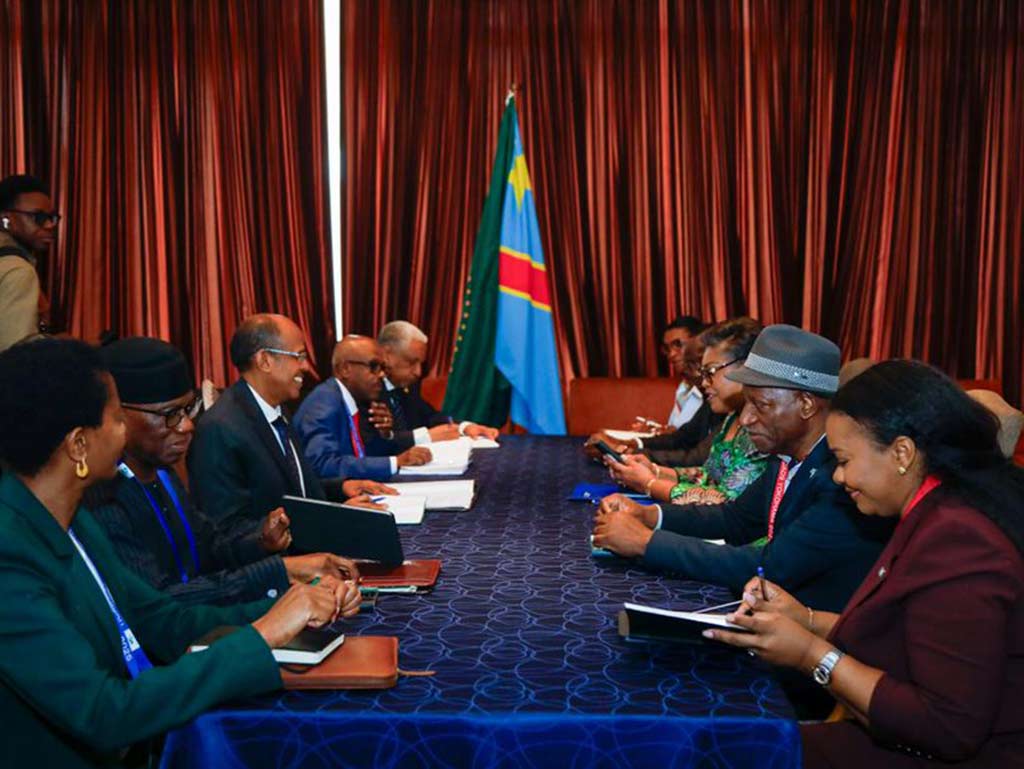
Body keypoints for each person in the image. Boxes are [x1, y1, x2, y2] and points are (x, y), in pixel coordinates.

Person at [0, 338, 359, 768]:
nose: (123, 434)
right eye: (117, 420)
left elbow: (165, 622)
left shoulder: (74, 522)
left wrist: (289, 609)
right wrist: (263, 635)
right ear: (78, 445)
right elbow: (104, 713)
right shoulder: (10, 555)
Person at [706, 361, 1024, 767]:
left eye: (843, 460)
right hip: (909, 734)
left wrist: (810, 654)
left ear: (902, 453)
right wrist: (805, 619)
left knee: (722, 749)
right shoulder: (934, 511)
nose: (839, 478)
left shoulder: (958, 539)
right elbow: (903, 638)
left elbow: (946, 728)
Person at [592, 325, 893, 613]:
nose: (746, 418)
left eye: (760, 405)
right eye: (747, 403)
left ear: (805, 404)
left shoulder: (840, 477)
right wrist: (647, 515)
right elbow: (735, 519)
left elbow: (769, 565)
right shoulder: (786, 455)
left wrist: (645, 542)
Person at [89, 337, 363, 607]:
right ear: (117, 415)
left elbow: (210, 547)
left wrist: (261, 541)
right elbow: (163, 605)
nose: (187, 425)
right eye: (170, 414)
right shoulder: (104, 499)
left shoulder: (163, 474)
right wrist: (282, 572)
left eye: (188, 409)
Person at [188, 315, 391, 538]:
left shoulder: (276, 409)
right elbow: (227, 532)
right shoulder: (220, 429)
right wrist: (337, 518)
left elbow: (292, 488)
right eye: (299, 356)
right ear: (265, 360)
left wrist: (341, 487)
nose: (305, 367)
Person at [607, 317, 767, 505]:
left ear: (746, 366)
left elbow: (725, 501)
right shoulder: (732, 417)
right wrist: (655, 471)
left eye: (710, 372)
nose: (704, 383)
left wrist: (649, 484)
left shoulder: (763, 426)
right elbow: (708, 476)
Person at [294, 335, 433, 482]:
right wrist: (394, 462)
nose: (381, 375)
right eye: (374, 366)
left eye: (383, 368)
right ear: (345, 369)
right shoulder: (324, 402)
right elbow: (323, 464)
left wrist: (387, 436)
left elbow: (363, 454)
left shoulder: (354, 400)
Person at [377, 320, 499, 443]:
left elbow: (430, 416)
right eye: (412, 362)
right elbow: (376, 443)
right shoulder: (370, 389)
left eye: (421, 364)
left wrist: (465, 427)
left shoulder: (408, 386)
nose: (418, 372)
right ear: (386, 355)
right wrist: (425, 436)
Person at [0, 174, 58, 349]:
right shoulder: (18, 270)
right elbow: (16, 353)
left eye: (52, 217)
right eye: (38, 217)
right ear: (6, 219)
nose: (49, 225)